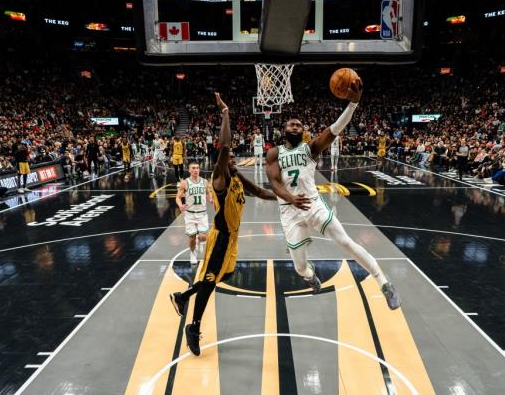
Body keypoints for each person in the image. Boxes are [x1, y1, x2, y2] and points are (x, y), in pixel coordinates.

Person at [265, 78, 401, 310]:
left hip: (313, 205)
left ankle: (384, 282)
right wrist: (290, 198)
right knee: (299, 267)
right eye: (291, 125)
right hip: (290, 212)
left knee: (345, 242)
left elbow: (335, 129)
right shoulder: (274, 153)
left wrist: (353, 104)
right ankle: (310, 275)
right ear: (284, 130)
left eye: (299, 125)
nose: (295, 127)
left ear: (304, 131)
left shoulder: (311, 148)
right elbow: (275, 183)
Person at [169, 93, 277, 356]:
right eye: (227, 157)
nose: (231, 158)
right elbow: (225, 145)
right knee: (208, 281)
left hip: (233, 239)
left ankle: (183, 297)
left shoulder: (238, 179)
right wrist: (225, 111)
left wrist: (289, 199)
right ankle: (193, 327)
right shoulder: (219, 181)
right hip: (221, 237)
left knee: (225, 275)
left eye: (232, 158)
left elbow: (262, 193)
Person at [176, 162, 212, 265]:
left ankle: (200, 241)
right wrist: (180, 205)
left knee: (203, 237)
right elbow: (178, 197)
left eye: (197, 168)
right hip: (190, 214)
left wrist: (210, 198)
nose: (196, 170)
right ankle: (193, 254)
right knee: (191, 238)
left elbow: (208, 192)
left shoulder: (205, 182)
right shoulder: (185, 183)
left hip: (202, 214)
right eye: (193, 168)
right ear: (189, 170)